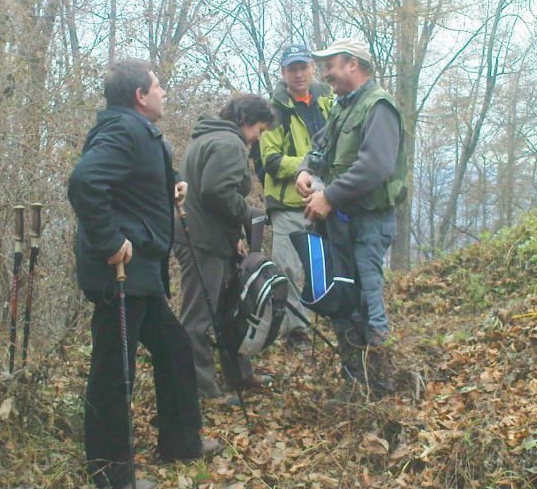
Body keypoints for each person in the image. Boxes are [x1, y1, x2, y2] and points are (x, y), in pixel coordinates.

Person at [68, 59, 220, 489]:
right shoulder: (123, 130)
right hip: (119, 271)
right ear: (139, 95)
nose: (164, 92)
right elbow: (84, 182)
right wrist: (110, 241)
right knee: (115, 371)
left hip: (142, 274)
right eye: (158, 86)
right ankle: (109, 472)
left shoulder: (135, 130)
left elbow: (130, 177)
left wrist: (172, 182)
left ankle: (180, 443)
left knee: (173, 348)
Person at [295, 39, 407, 397]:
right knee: (344, 296)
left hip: (369, 222)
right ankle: (354, 380)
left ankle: (381, 384)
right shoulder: (345, 107)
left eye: (332, 65)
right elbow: (320, 146)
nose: (325, 73)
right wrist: (304, 170)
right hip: (343, 222)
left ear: (353, 65)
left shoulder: (378, 106)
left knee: (368, 299)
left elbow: (376, 166)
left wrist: (329, 195)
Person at [174, 94, 276, 403]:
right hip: (201, 240)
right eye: (259, 128)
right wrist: (248, 214)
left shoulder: (208, 137)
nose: (258, 137)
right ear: (245, 121)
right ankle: (203, 390)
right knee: (199, 318)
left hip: (208, 236)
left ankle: (240, 375)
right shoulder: (230, 144)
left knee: (228, 310)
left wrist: (234, 235)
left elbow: (212, 195)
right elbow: (216, 193)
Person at [259, 44, 333, 351]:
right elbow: (271, 160)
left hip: (329, 198)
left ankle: (334, 318)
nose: (299, 74)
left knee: (330, 264)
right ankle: (296, 333)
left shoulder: (329, 99)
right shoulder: (273, 108)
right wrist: (307, 163)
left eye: (303, 67)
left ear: (312, 69)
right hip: (289, 203)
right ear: (283, 73)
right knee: (288, 268)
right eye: (292, 69)